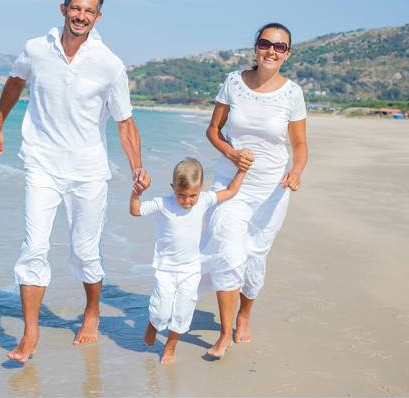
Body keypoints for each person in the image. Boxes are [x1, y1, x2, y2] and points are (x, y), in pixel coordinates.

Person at [0, 0, 148, 362]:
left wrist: (137, 167)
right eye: (75, 8)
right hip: (41, 163)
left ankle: (92, 311)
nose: (81, 16)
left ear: (98, 16)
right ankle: (30, 334)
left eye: (89, 11)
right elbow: (14, 82)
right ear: (63, 9)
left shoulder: (109, 65)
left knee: (84, 251)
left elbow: (125, 122)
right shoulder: (35, 49)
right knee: (33, 249)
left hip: (88, 171)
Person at [202, 23, 309, 360]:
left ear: (288, 53)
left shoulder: (292, 93)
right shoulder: (233, 83)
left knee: (255, 257)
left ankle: (244, 314)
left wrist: (297, 170)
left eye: (280, 47)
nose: (272, 51)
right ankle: (223, 332)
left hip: (271, 189)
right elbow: (213, 130)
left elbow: (300, 144)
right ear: (255, 47)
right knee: (229, 252)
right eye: (266, 44)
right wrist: (231, 153)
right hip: (231, 183)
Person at [128, 155, 247, 364]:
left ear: (200, 188)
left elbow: (230, 191)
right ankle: (153, 324)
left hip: (191, 269)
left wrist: (242, 170)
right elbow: (136, 211)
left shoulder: (203, 200)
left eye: (192, 195)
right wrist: (136, 194)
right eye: (181, 195)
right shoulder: (163, 203)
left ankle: (170, 346)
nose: (187, 201)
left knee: (183, 310)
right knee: (162, 308)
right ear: (173, 187)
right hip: (165, 269)